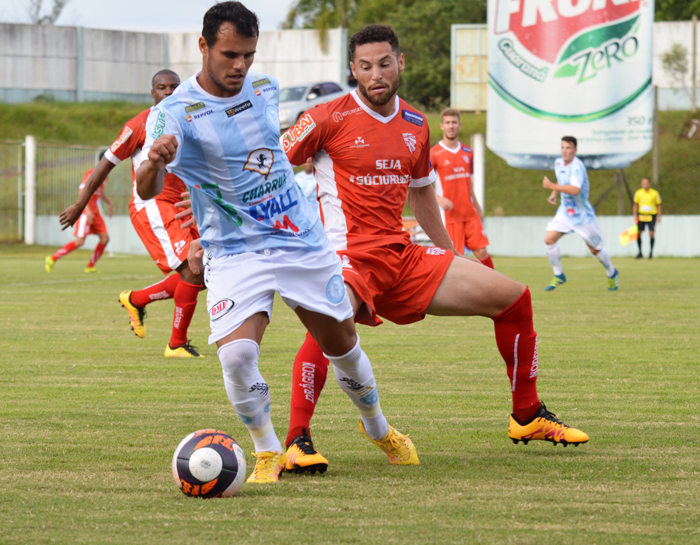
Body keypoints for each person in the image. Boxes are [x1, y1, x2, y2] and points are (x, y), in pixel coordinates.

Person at [278, 25, 589, 474]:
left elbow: (422, 195)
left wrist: (452, 256)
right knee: (330, 322)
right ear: (352, 70)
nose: (376, 74)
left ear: (400, 63)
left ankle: (527, 415)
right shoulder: (325, 117)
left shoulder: (415, 124)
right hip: (345, 256)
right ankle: (296, 440)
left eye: (384, 63)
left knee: (514, 298)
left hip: (400, 257)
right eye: (365, 67)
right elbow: (264, 165)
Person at [135, 2, 415, 484]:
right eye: (229, 54)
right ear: (203, 47)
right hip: (234, 251)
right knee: (238, 355)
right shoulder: (172, 113)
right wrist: (154, 163)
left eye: (248, 53)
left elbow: (271, 156)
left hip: (299, 240)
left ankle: (379, 428)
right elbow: (144, 186)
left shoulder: (265, 88)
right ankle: (267, 450)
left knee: (341, 343)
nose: (240, 65)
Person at [59, 70, 205, 358]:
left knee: (206, 272)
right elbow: (105, 165)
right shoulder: (141, 124)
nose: (168, 91)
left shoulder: (189, 121)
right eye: (162, 87)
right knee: (192, 268)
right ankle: (176, 344)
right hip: (151, 204)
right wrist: (80, 203)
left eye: (174, 86)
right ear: (153, 93)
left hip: (181, 204)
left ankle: (136, 300)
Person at [543, 136, 619, 292]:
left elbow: (575, 189)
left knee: (595, 250)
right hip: (565, 212)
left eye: (568, 148)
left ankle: (612, 273)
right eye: (563, 147)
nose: (565, 151)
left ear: (575, 150)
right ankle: (559, 275)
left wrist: (550, 185)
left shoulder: (578, 167)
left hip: (582, 216)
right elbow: (562, 182)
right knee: (549, 240)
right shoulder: (558, 163)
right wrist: (554, 192)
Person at [430, 108, 493, 268]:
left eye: (454, 122)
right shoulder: (434, 153)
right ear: (441, 126)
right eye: (448, 123)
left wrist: (477, 207)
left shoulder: (468, 152)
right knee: (454, 258)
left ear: (460, 125)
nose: (451, 126)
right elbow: (421, 183)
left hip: (469, 212)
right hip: (450, 215)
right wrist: (438, 199)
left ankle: (492, 286)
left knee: (482, 252)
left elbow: (468, 183)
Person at [46, 157, 113, 274]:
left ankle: (90, 266)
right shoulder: (91, 173)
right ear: (99, 162)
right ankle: (52, 258)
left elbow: (99, 192)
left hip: (95, 211)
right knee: (80, 241)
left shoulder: (105, 176)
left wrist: (109, 203)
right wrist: (86, 210)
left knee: (105, 238)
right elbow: (82, 192)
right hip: (85, 211)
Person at [633, 177, 661, 259]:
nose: (645, 185)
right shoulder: (638, 193)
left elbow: (658, 205)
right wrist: (635, 215)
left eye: (646, 183)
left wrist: (659, 216)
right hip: (641, 215)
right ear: (641, 184)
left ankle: (651, 252)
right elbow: (635, 204)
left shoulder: (654, 193)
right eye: (643, 183)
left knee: (651, 233)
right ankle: (640, 252)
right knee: (638, 233)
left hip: (651, 216)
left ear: (649, 184)